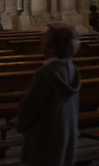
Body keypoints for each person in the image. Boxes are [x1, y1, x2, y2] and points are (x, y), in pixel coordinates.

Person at [16, 22, 81, 166]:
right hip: (64, 134)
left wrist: (21, 123)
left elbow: (31, 106)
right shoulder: (72, 69)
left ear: (52, 47)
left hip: (44, 137)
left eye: (45, 38)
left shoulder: (45, 74)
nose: (42, 41)